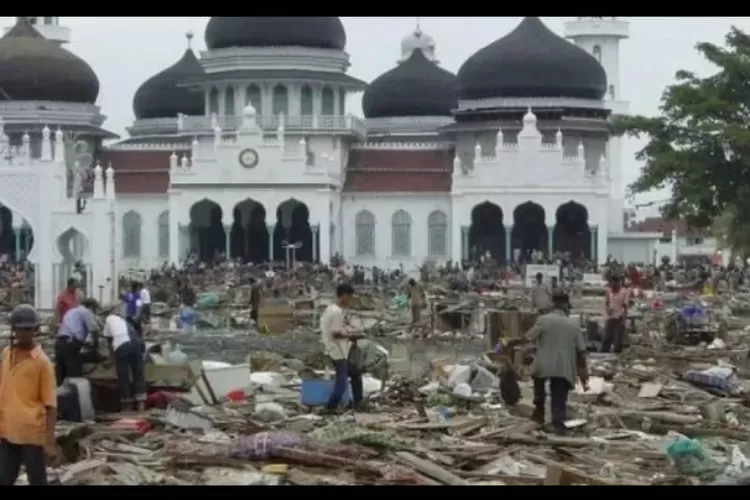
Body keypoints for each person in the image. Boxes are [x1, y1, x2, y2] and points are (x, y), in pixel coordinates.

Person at [0, 305, 57, 485]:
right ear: (13, 329)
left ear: (35, 330)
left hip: (31, 434)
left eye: (28, 329)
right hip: (8, 430)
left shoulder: (42, 363)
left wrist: (49, 443)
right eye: (20, 329)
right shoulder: (7, 353)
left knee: (37, 479)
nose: (24, 333)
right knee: (5, 478)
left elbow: (51, 405)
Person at [526, 292, 589, 434]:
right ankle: (558, 423)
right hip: (563, 367)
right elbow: (581, 352)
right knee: (559, 396)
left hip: (543, 364)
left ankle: (539, 414)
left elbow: (529, 337)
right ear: (566, 306)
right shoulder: (573, 325)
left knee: (539, 390)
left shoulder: (543, 320)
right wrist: (583, 373)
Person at [320, 283, 363, 412]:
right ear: (343, 295)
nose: (349, 300)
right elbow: (335, 333)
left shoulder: (330, 308)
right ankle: (331, 406)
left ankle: (358, 403)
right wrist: (351, 336)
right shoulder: (337, 312)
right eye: (349, 297)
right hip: (337, 349)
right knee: (342, 379)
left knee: (355, 373)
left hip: (333, 347)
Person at [102, 305, 146, 411]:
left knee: (124, 375)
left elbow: (109, 342)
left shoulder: (108, 319)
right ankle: (141, 405)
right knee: (138, 373)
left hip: (122, 346)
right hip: (136, 344)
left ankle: (127, 407)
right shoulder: (124, 321)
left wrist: (111, 359)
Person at [55, 297, 99, 386]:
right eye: (95, 309)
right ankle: (72, 398)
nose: (94, 312)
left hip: (59, 343)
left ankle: (59, 397)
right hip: (70, 345)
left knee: (60, 375)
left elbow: (72, 328)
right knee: (74, 377)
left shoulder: (70, 311)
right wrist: (96, 345)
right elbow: (94, 330)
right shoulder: (86, 311)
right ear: (91, 307)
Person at [601, 276, 629, 354]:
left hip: (619, 317)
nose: (614, 284)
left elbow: (625, 306)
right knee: (606, 337)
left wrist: (624, 319)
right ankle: (604, 353)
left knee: (617, 339)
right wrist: (607, 310)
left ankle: (617, 354)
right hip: (610, 317)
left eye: (616, 282)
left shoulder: (624, 292)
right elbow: (606, 302)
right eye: (612, 283)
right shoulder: (608, 291)